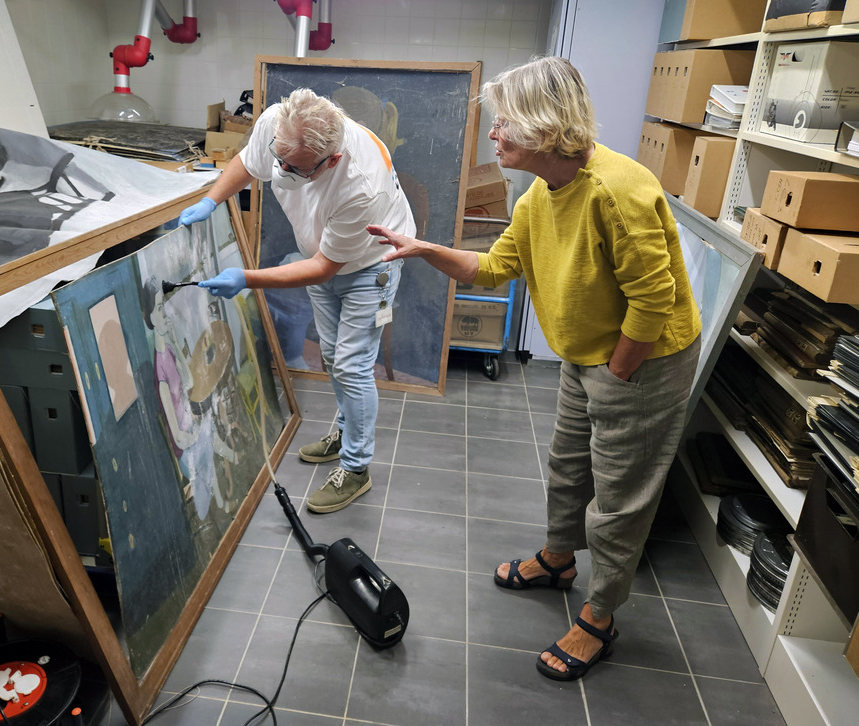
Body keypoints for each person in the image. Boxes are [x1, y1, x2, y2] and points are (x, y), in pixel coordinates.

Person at [369, 56, 702, 681]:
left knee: (619, 498)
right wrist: (422, 249)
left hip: (643, 358)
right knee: (569, 463)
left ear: (545, 127)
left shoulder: (615, 192)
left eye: (503, 124)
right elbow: (490, 269)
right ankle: (557, 560)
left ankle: (600, 618)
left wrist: (620, 371)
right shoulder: (538, 195)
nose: (492, 135)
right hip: (590, 354)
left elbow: (655, 300)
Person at [179, 88, 415, 514]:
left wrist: (247, 278)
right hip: (322, 254)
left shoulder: (360, 185)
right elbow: (249, 163)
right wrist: (210, 199)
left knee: (351, 364)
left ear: (332, 160)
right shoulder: (280, 123)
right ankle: (345, 429)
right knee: (330, 354)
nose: (282, 171)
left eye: (295, 168)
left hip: (368, 264)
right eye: (280, 159)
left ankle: (356, 468)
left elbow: (326, 267)